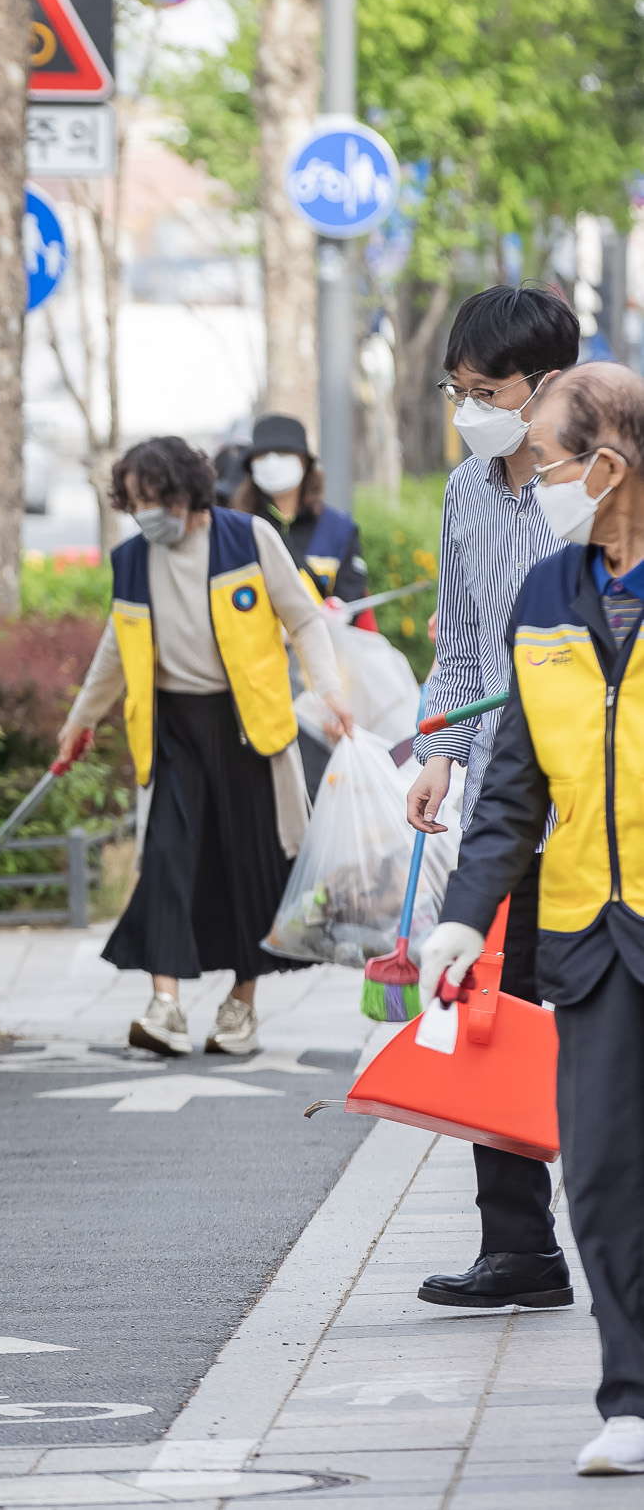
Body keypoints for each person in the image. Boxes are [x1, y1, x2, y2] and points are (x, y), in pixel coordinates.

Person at [417, 362, 644, 1476]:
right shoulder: (548, 595)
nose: (535, 476)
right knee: (601, 1173)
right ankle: (631, 1397)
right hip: (589, 939)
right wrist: (464, 921)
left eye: (548, 460)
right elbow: (514, 782)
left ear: (607, 466)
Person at [53, 438, 354, 1058]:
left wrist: (328, 691)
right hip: (174, 731)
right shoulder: (134, 559)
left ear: (184, 492)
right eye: (132, 502)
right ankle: (165, 1007)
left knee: (250, 864)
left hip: (247, 726)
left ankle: (240, 1009)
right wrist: (78, 722)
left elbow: (302, 618)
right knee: (166, 857)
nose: (142, 514)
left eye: (151, 500)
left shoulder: (248, 539)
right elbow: (116, 649)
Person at [402, 283, 580, 1316]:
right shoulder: (466, 489)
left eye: (489, 388)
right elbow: (459, 636)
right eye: (457, 388)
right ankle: (516, 1244)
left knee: (603, 995)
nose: (471, 407)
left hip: (601, 784)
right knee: (491, 1004)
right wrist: (438, 749)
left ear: (547, 383)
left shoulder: (603, 481)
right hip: (506, 788)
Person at [232, 413, 373, 621]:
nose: (272, 463)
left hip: (321, 646)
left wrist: (339, 611)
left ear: (304, 461)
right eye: (262, 455)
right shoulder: (238, 528)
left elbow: (352, 592)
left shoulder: (339, 528)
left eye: (283, 453)